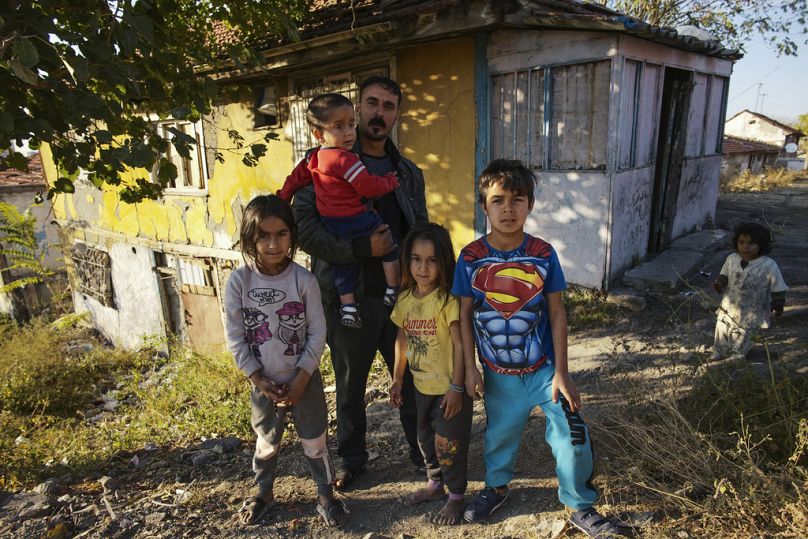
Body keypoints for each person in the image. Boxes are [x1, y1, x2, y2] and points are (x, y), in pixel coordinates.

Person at [452, 159, 620, 537]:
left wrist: (563, 371)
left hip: (545, 370)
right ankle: (496, 487)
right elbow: (463, 315)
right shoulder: (470, 258)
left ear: (530, 205)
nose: (508, 208)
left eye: (518, 199)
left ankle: (580, 504)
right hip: (498, 374)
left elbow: (557, 313)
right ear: (484, 206)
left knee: (572, 432)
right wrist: (470, 367)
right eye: (498, 200)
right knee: (499, 436)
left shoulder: (544, 254)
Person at [292, 76, 428, 489]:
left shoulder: (407, 173)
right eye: (372, 103)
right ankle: (352, 460)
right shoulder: (319, 166)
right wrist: (360, 248)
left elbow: (419, 230)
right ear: (357, 109)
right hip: (346, 295)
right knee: (350, 386)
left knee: (415, 380)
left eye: (389, 106)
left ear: (396, 115)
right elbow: (305, 232)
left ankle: (423, 454)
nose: (379, 113)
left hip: (401, 298)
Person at [225, 195, 348, 527]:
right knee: (266, 442)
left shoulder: (303, 280)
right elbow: (236, 337)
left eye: (280, 234)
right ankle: (262, 492)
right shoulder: (239, 282)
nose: (272, 243)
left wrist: (303, 378)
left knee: (315, 441)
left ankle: (326, 496)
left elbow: (317, 331)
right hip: (263, 382)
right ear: (250, 239)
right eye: (263, 236)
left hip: (303, 381)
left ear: (292, 236)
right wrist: (257, 379)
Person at [278, 93, 401, 328]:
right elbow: (367, 187)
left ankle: (348, 307)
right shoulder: (346, 160)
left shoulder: (313, 159)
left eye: (350, 125)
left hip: (333, 223)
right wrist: (389, 182)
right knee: (389, 244)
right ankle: (393, 289)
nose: (348, 132)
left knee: (344, 266)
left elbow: (294, 179)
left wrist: (283, 195)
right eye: (339, 126)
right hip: (356, 219)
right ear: (318, 134)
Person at [389, 223, 472, 526]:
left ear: (443, 262)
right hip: (420, 386)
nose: (423, 267)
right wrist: (398, 378)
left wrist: (457, 387)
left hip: (449, 388)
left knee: (449, 443)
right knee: (425, 438)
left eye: (432, 260)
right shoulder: (405, 301)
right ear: (407, 261)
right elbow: (401, 340)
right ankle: (435, 485)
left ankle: (457, 496)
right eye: (416, 259)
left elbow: (461, 345)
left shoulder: (448, 301)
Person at [711, 222, 787, 360]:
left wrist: (778, 304)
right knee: (721, 328)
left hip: (752, 309)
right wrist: (719, 284)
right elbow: (724, 275)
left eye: (751, 243)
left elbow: (778, 287)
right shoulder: (732, 259)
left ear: (761, 245)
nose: (746, 246)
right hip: (729, 305)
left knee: (742, 333)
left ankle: (735, 358)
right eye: (742, 242)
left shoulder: (769, 265)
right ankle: (718, 353)